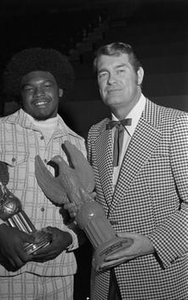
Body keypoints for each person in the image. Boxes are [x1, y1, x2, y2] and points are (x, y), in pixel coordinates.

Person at [0, 47, 86, 300]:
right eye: (29, 88)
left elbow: (87, 207)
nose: (39, 93)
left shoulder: (78, 144)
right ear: (20, 95)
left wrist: (69, 238)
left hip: (60, 274)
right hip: (4, 270)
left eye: (47, 85)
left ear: (60, 91)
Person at [86, 42, 188, 299]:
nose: (111, 80)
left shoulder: (177, 125)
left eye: (120, 70)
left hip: (159, 278)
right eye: (103, 73)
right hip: (104, 279)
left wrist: (152, 243)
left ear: (139, 75)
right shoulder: (95, 133)